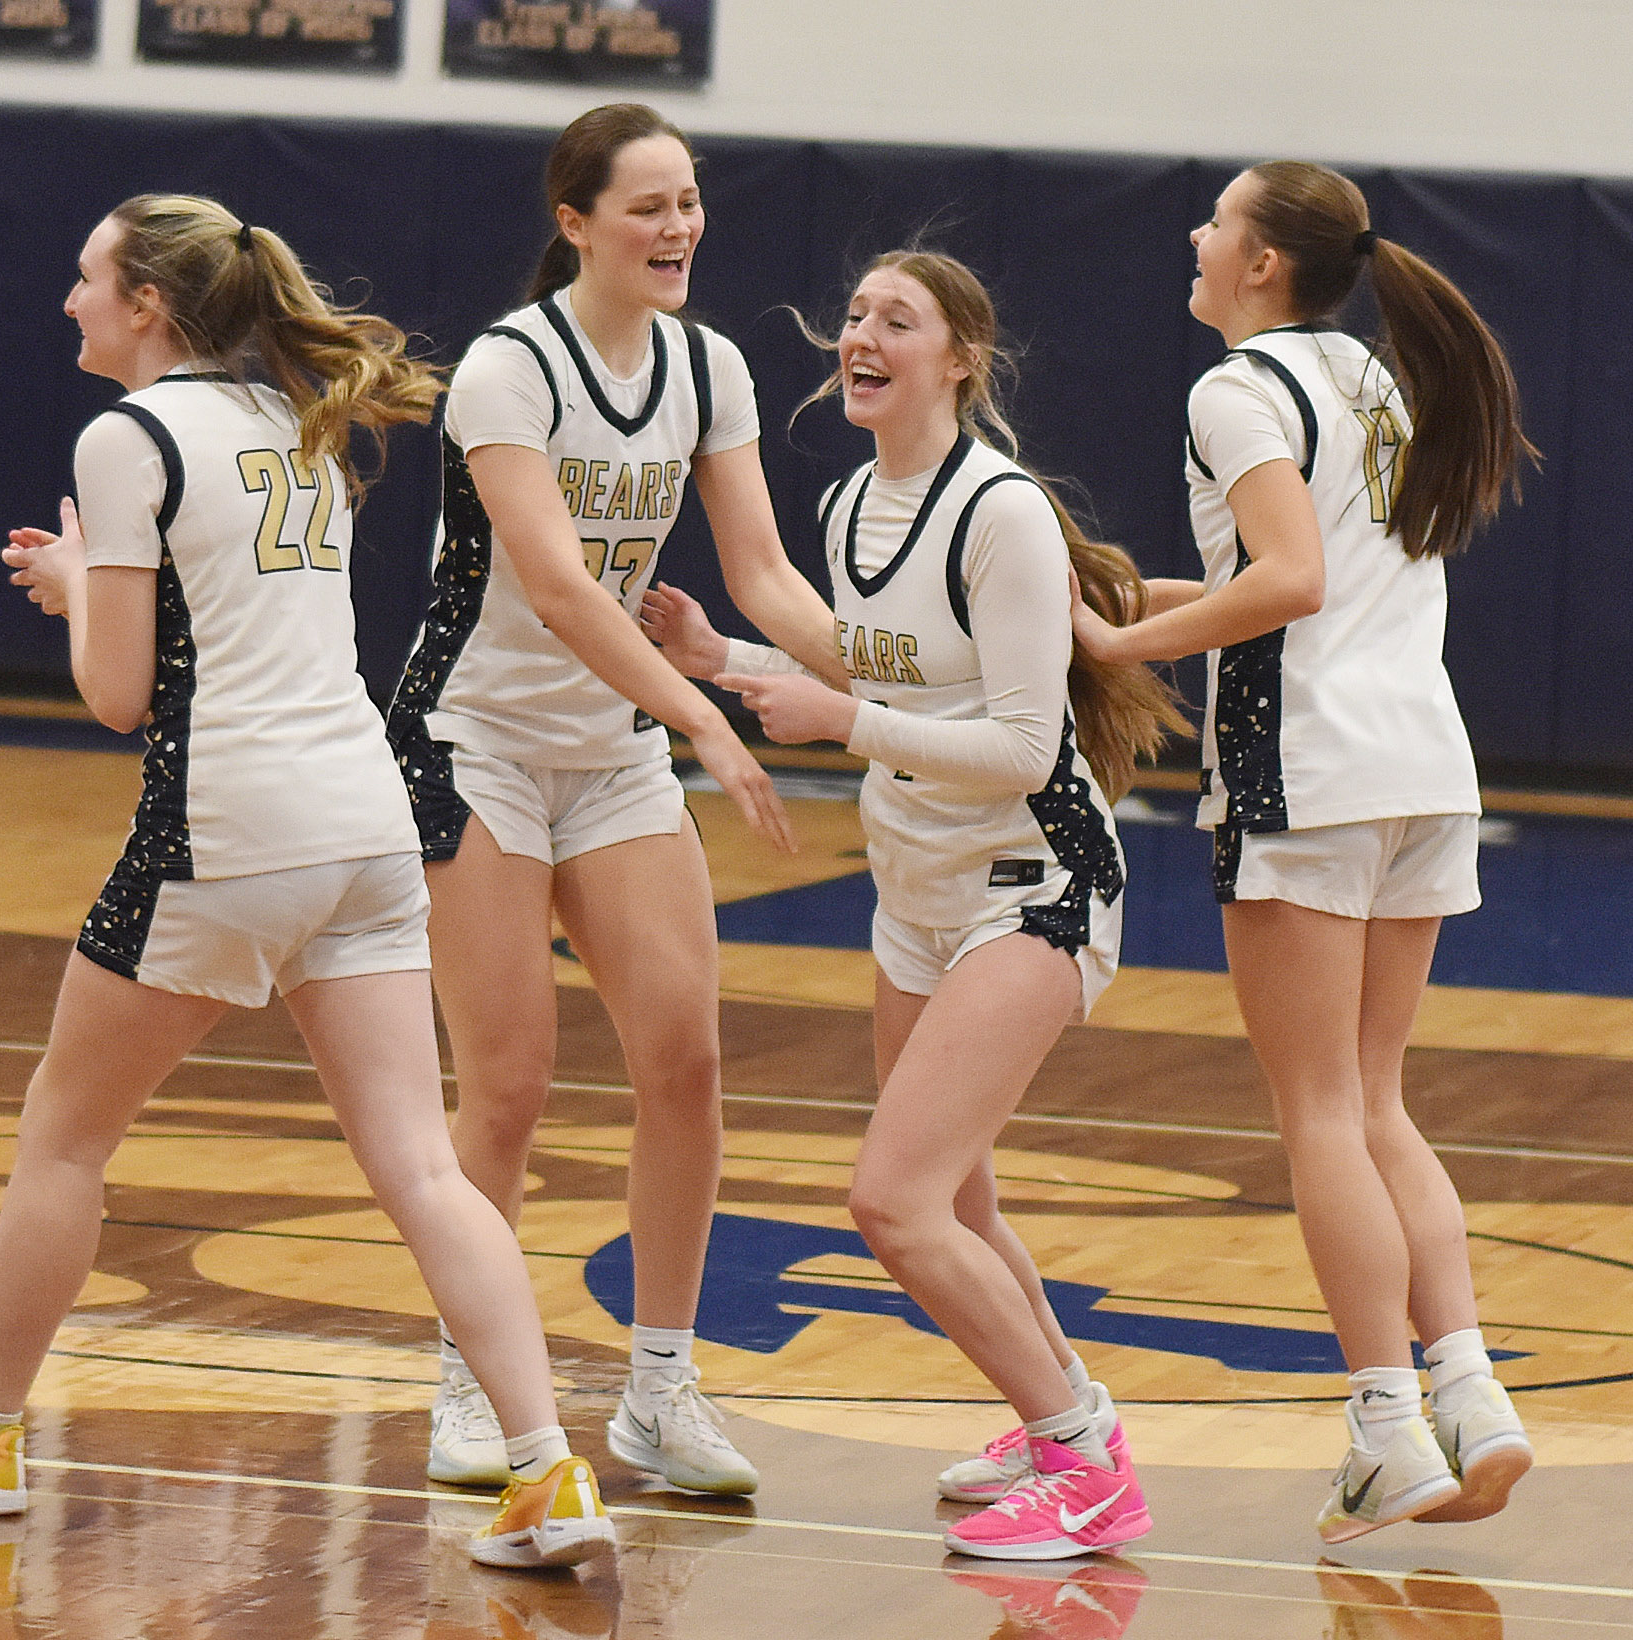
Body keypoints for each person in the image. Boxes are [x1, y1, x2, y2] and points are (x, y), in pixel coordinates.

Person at [0, 195, 613, 1572]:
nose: (68, 301)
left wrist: (78, 590)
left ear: (144, 303)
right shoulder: (285, 418)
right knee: (424, 1166)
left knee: (63, 1137)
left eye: (85, 279)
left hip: (228, 828)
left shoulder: (127, 439)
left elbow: (123, 695)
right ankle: (548, 1472)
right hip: (368, 826)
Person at [641, 250, 1184, 1559]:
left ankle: (1087, 1468)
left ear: (959, 360)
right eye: (854, 316)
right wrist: (733, 659)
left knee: (891, 1204)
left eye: (900, 318)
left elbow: (1020, 744)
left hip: (1034, 885)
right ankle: (1070, 1426)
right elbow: (878, 666)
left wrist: (847, 722)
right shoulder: (848, 506)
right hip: (914, 892)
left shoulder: (997, 513)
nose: (863, 334)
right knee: (963, 1199)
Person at [1069, 161, 1537, 1544]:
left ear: (1266, 262)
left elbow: (1291, 585)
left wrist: (1118, 643)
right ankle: (1472, 1396)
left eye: (1219, 220)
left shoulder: (1235, 388)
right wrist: (1130, 592)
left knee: (1321, 1112)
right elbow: (1293, 586)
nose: (1196, 236)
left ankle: (1387, 1428)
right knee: (1378, 1099)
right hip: (1419, 767)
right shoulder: (1376, 381)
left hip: (1307, 774)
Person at [387, 103, 844, 1496]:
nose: (681, 227)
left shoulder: (709, 366)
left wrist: (897, 677)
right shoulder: (510, 372)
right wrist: (702, 708)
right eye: (648, 206)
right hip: (477, 741)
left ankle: (659, 1389)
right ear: (576, 223)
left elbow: (760, 576)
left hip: (614, 747)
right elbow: (561, 587)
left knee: (686, 1061)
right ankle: (475, 1383)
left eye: (691, 201)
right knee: (510, 1084)